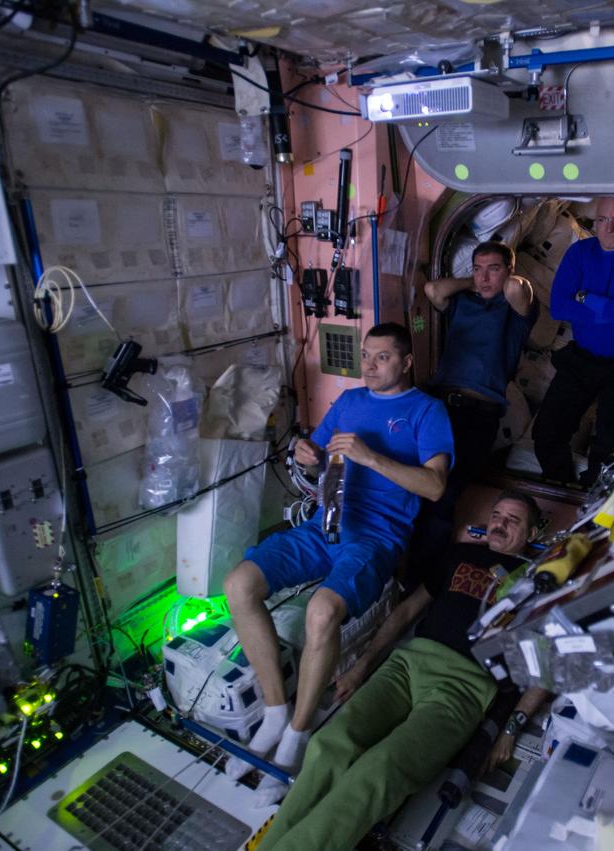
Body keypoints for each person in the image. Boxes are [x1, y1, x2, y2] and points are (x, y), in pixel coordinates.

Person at [255, 490, 552, 851]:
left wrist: (511, 727)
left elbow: (547, 665)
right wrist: (362, 667)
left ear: (532, 534)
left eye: (513, 520)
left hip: (463, 686)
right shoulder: (459, 555)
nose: (499, 524)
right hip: (408, 663)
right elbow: (407, 612)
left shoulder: (539, 581)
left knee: (380, 769)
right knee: (328, 744)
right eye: (497, 514)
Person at [222, 322, 453, 783]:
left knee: (322, 611)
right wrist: (306, 451)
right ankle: (274, 712)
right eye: (366, 355)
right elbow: (318, 450)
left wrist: (372, 458)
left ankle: (298, 733)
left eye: (382, 357)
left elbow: (434, 486)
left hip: (376, 537)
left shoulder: (427, 411)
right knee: (239, 584)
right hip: (323, 524)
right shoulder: (348, 401)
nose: (369, 364)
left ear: (407, 362)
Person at [408, 241, 537, 584]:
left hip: (478, 413)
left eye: (493, 268)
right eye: (477, 268)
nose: (483, 277)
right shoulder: (464, 301)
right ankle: (396, 569)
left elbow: (514, 288)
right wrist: (475, 281)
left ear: (509, 269)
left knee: (444, 496)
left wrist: (498, 278)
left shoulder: (515, 311)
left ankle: (420, 581)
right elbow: (432, 289)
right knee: (410, 486)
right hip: (437, 404)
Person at [533, 196, 614, 485]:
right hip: (581, 358)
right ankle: (560, 485)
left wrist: (586, 297)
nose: (608, 229)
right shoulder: (580, 252)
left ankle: (591, 501)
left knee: (610, 444)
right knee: (546, 432)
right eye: (601, 220)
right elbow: (560, 307)